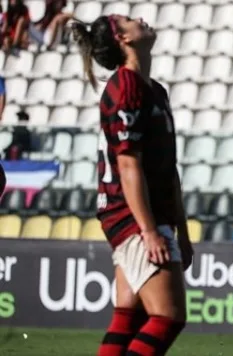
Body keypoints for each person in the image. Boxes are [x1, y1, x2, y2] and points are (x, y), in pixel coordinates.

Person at [71, 14, 193, 356]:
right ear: (122, 38)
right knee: (168, 316)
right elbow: (128, 165)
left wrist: (180, 231)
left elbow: (169, 171)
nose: (139, 19)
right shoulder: (125, 86)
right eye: (128, 20)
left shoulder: (154, 90)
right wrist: (149, 230)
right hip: (132, 214)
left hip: (147, 214)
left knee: (129, 316)